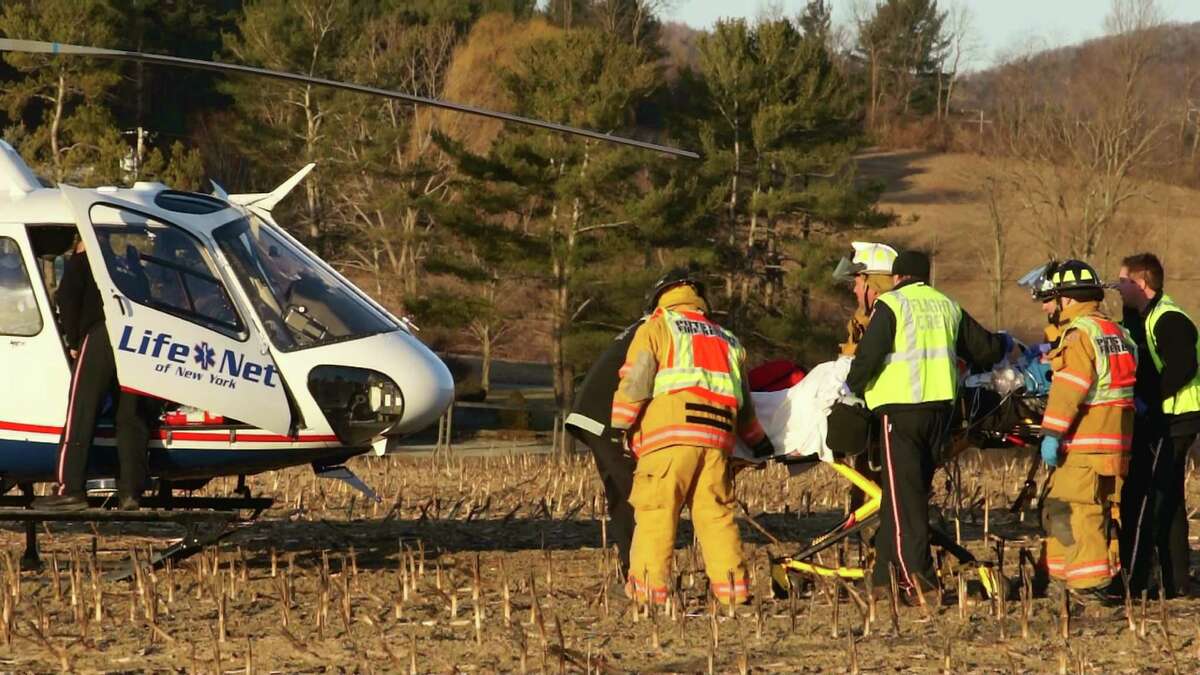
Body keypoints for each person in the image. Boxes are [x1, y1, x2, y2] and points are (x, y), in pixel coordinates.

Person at [844, 250, 1008, 599]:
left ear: (897, 277)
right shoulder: (947, 305)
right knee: (905, 494)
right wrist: (1006, 342)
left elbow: (868, 358)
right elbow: (986, 351)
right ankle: (883, 580)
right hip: (939, 415)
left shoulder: (892, 305)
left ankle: (919, 577)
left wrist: (851, 389)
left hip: (899, 413)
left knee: (906, 500)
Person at [611, 270, 773, 605]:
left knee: (656, 512)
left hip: (669, 438)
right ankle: (733, 593)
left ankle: (647, 593)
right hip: (717, 442)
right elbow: (743, 402)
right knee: (716, 515)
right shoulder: (727, 339)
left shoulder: (657, 327)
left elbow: (636, 383)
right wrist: (758, 441)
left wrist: (619, 426)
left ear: (660, 298)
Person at [1034, 259, 1136, 601]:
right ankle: (1061, 578)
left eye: (1053, 298)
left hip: (1086, 441)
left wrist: (1051, 432)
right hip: (1115, 440)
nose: (1050, 306)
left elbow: (1071, 389)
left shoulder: (1079, 335)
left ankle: (1089, 586)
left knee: (1082, 510)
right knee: (1071, 505)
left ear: (1067, 299)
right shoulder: (1114, 331)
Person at [34, 237, 153, 511]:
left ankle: (71, 489)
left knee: (81, 412)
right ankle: (131, 491)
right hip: (134, 338)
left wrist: (74, 342)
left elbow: (67, 297)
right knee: (130, 416)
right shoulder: (129, 267)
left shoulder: (84, 262)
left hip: (99, 335)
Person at [1116, 253, 1199, 598]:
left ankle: (1135, 581)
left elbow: (1182, 368)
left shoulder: (1170, 320)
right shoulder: (1145, 316)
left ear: (1142, 284)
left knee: (1150, 494)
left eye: (1122, 282)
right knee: (1170, 497)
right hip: (1170, 416)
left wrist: (1151, 402)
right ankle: (1176, 579)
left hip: (1175, 418)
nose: (1117, 288)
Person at [565, 316, 645, 578]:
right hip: (606, 418)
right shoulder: (660, 328)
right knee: (636, 494)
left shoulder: (642, 326)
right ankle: (639, 568)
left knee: (622, 493)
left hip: (590, 413)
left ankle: (632, 564)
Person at [834, 242, 898, 357]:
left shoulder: (888, 321)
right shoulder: (863, 321)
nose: (854, 290)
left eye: (857, 284)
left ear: (873, 286)